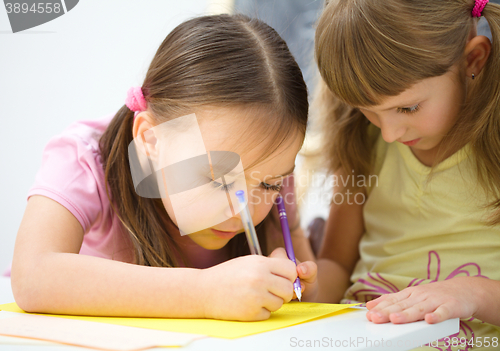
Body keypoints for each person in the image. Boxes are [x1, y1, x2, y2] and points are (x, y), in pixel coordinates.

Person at [10, 14, 318, 322]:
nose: (243, 211)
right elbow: (33, 276)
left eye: (268, 185)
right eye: (220, 178)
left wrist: (284, 283)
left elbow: (308, 296)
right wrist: (205, 292)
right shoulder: (85, 159)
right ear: (150, 141)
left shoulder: (269, 166)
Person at [312, 0, 500, 348]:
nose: (389, 133)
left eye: (407, 108)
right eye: (368, 110)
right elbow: (336, 263)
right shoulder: (362, 138)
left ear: (473, 59)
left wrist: (475, 293)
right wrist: (294, 271)